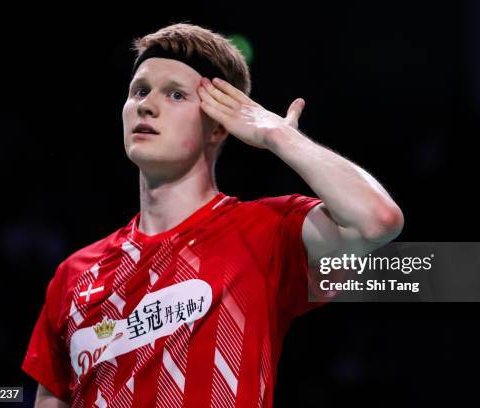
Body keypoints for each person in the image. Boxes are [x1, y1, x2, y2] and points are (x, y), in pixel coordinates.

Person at [22, 22, 404, 408]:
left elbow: (376, 221)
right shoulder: (74, 275)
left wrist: (278, 136)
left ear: (220, 125)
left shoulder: (265, 233)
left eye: (175, 94)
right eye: (139, 91)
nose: (146, 104)